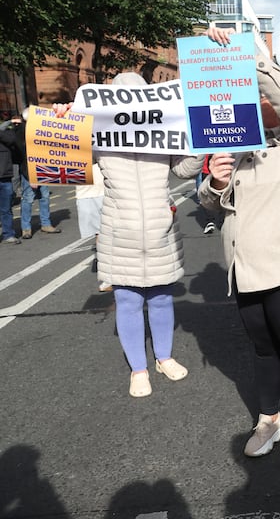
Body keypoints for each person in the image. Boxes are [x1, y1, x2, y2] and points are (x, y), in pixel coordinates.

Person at [200, 28, 280, 471]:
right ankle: (270, 420)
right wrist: (215, 183)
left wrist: (253, 61)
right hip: (245, 268)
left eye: (267, 95)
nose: (261, 103)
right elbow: (210, 200)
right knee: (262, 350)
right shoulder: (238, 147)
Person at [54, 72, 202, 398]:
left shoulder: (164, 131)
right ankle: (139, 368)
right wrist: (63, 123)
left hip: (160, 229)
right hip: (118, 232)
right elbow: (68, 161)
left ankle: (164, 357)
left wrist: (199, 142)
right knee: (128, 301)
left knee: (162, 298)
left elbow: (184, 169)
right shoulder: (100, 133)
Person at [12, 110, 61, 238]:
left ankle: (45, 224)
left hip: (41, 169)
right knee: (28, 198)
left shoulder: (38, 130)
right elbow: (25, 156)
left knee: (44, 196)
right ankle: (26, 228)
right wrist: (31, 176)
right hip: (29, 170)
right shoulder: (22, 133)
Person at [74, 162, 110, 291]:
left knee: (106, 234)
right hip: (87, 193)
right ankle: (108, 277)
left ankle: (108, 276)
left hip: (107, 189)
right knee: (102, 234)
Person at [0, 123, 20, 244]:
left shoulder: (5, 131)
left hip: (5, 177)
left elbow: (11, 139)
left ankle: (8, 234)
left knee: (6, 209)